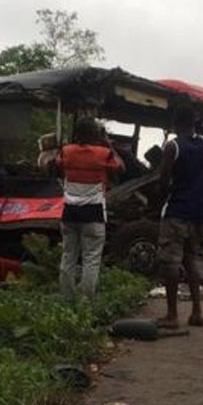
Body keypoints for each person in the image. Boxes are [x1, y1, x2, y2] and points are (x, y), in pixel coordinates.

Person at [55, 117, 125, 301]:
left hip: (69, 213)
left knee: (68, 257)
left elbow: (55, 165)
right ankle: (86, 301)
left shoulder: (66, 152)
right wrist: (108, 144)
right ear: (95, 134)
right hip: (93, 215)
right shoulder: (103, 154)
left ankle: (66, 298)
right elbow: (121, 167)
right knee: (91, 260)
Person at [155, 104, 203, 329]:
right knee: (190, 261)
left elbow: (163, 179)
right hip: (197, 213)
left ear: (175, 123)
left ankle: (172, 315)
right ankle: (197, 312)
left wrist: (159, 199)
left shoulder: (173, 146)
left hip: (176, 211)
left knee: (170, 262)